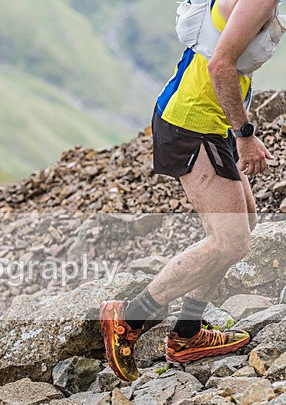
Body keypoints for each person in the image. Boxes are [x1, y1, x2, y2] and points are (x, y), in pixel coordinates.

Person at [100, 0, 282, 382]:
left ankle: (188, 334)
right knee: (231, 242)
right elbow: (219, 65)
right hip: (193, 120)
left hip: (210, 119)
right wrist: (245, 135)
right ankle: (129, 319)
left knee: (242, 224)